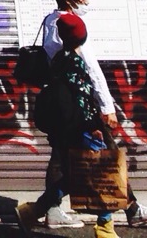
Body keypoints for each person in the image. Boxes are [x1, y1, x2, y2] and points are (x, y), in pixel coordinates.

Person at [18, 0, 147, 231]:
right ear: (71, 1)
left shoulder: (50, 21)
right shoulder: (71, 29)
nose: (87, 3)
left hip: (56, 105)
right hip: (76, 110)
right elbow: (92, 71)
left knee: (63, 159)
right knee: (104, 155)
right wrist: (106, 108)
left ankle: (43, 210)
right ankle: (125, 212)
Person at [32, 13, 125, 238]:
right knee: (99, 173)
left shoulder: (58, 60)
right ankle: (105, 228)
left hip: (63, 126)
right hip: (78, 128)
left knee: (74, 176)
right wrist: (93, 126)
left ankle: (32, 211)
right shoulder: (75, 62)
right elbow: (82, 99)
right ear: (83, 37)